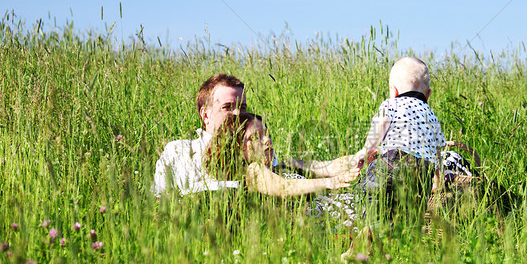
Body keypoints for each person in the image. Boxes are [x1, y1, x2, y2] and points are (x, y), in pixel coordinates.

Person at [154, 73, 360, 196]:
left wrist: (358, 157)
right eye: (228, 107)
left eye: (242, 107)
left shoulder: (255, 148)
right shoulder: (180, 151)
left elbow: (309, 166)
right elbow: (161, 199)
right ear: (205, 114)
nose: (237, 113)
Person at [357, 56, 446, 220]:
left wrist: (366, 150)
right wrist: (437, 180)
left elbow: (381, 124)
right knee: (411, 216)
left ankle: (372, 228)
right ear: (428, 95)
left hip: (393, 161)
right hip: (423, 172)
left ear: (394, 90)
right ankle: (403, 237)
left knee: (374, 193)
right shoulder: (431, 115)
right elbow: (438, 151)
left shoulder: (391, 104)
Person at [204, 112, 360, 197]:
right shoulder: (252, 172)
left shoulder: (286, 164)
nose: (267, 141)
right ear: (237, 147)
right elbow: (283, 188)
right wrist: (330, 183)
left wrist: (360, 156)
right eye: (256, 137)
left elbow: (328, 167)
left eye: (267, 134)